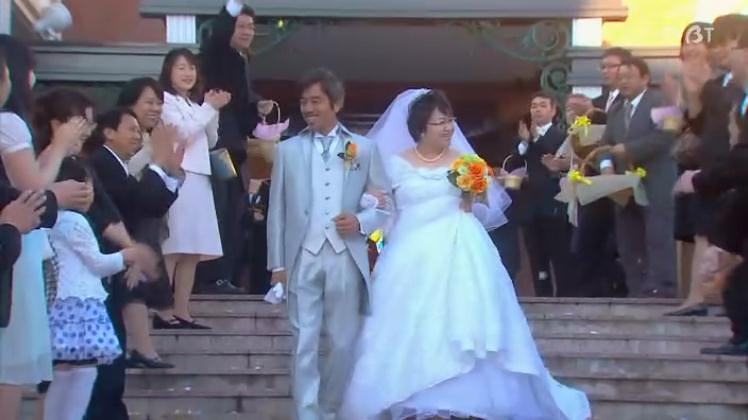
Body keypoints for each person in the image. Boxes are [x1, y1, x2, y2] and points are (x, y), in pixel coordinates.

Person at [340, 89, 590, 419]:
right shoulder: (395, 164)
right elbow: (386, 215)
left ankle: (467, 398)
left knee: (467, 315)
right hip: (411, 251)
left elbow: (486, 208)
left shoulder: (465, 162)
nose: (448, 128)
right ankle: (413, 394)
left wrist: (474, 195)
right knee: (411, 322)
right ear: (421, 128)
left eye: (450, 121)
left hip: (461, 244)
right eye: (440, 122)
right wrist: (372, 232)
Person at [266, 68, 391, 420]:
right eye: (304, 102)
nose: (308, 108)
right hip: (301, 256)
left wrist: (361, 222)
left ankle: (330, 410)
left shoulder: (363, 148)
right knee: (302, 341)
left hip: (345, 256)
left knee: (342, 342)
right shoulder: (287, 150)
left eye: (316, 101)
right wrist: (277, 265)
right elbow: (277, 211)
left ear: (336, 103)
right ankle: (307, 414)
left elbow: (385, 207)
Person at [0, 35, 92, 420]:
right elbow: (32, 189)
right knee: (8, 362)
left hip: (17, 240)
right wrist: (58, 147)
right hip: (14, 243)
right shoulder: (9, 122)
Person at [44, 158, 155, 420]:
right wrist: (129, 256)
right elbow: (97, 263)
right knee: (83, 371)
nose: (90, 192)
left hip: (62, 302)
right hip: (79, 304)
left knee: (66, 372)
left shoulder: (54, 221)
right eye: (86, 185)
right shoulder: (75, 222)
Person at [86, 107, 182, 366]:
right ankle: (140, 349)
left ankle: (140, 349)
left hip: (123, 245)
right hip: (106, 245)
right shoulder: (103, 160)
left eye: (140, 131)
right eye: (131, 129)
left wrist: (171, 171)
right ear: (109, 132)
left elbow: (152, 207)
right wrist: (157, 163)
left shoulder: (118, 164)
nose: (138, 136)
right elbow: (137, 201)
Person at [669, 15, 748, 316]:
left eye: (726, 44)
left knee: (725, 235)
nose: (719, 50)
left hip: (732, 169)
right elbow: (697, 124)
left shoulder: (736, 87)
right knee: (704, 230)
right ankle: (698, 296)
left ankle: (720, 297)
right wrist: (690, 91)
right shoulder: (716, 84)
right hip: (710, 166)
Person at [199, 0, 273, 293]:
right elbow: (218, 35)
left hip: (234, 150)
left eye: (251, 27)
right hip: (218, 149)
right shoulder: (219, 55)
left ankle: (224, 276)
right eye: (240, 26)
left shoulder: (241, 62)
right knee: (220, 209)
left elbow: (241, 111)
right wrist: (232, 7)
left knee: (234, 212)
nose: (247, 31)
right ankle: (211, 277)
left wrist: (258, 108)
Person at [160, 48, 228, 328]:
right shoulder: (165, 101)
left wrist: (213, 110)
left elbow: (210, 140)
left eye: (191, 68)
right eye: (181, 68)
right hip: (180, 174)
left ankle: (182, 309)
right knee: (174, 246)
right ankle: (162, 309)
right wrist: (208, 108)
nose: (188, 73)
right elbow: (183, 133)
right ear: (168, 72)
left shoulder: (193, 104)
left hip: (200, 176)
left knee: (193, 249)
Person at [601, 57, 678, 298]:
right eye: (620, 77)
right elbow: (605, 144)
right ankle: (637, 289)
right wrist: (606, 165)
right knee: (628, 239)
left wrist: (630, 149)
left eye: (629, 77)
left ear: (645, 78)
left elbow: (667, 135)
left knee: (658, 235)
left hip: (656, 182)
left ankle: (663, 288)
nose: (623, 82)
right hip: (624, 186)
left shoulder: (662, 101)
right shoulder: (616, 109)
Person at [515, 92, 574, 297]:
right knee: (536, 255)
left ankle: (565, 296)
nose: (537, 110)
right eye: (534, 106)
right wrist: (525, 142)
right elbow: (515, 161)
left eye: (542, 105)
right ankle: (542, 295)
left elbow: (552, 155)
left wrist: (534, 139)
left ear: (553, 110)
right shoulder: (524, 137)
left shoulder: (562, 136)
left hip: (554, 203)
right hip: (530, 205)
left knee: (559, 254)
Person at [593, 47, 632, 112]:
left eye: (611, 66)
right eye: (603, 67)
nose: (605, 71)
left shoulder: (632, 99)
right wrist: (581, 116)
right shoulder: (596, 103)